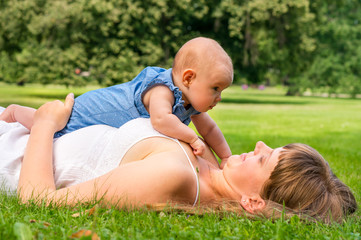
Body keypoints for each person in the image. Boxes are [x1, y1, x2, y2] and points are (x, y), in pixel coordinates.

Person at [0, 95, 356, 223]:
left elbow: (40, 201)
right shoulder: (208, 166)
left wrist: (46, 122)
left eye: (264, 160)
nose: (259, 145)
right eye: (270, 148)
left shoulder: (173, 174)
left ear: (253, 201)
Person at [0, 37, 233, 163]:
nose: (218, 98)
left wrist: (226, 157)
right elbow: (161, 120)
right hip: (86, 114)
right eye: (215, 88)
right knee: (53, 126)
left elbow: (210, 130)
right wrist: (192, 138)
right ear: (189, 78)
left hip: (101, 131)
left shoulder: (191, 103)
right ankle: (15, 112)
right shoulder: (162, 90)